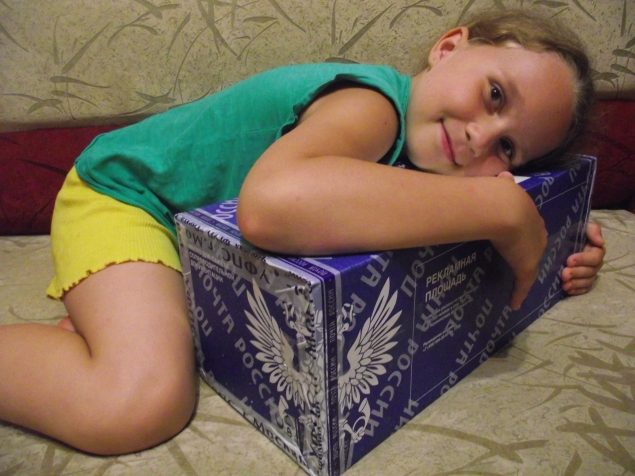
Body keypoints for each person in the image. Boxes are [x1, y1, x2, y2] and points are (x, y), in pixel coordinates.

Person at [0, 9, 605, 456]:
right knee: (140, 401)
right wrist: (497, 211)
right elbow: (270, 208)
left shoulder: (428, 157)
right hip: (125, 196)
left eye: (508, 148)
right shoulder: (371, 103)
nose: (480, 137)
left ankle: (115, 319)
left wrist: (561, 239)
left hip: (190, 239)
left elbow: (470, 202)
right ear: (448, 48)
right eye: (494, 94)